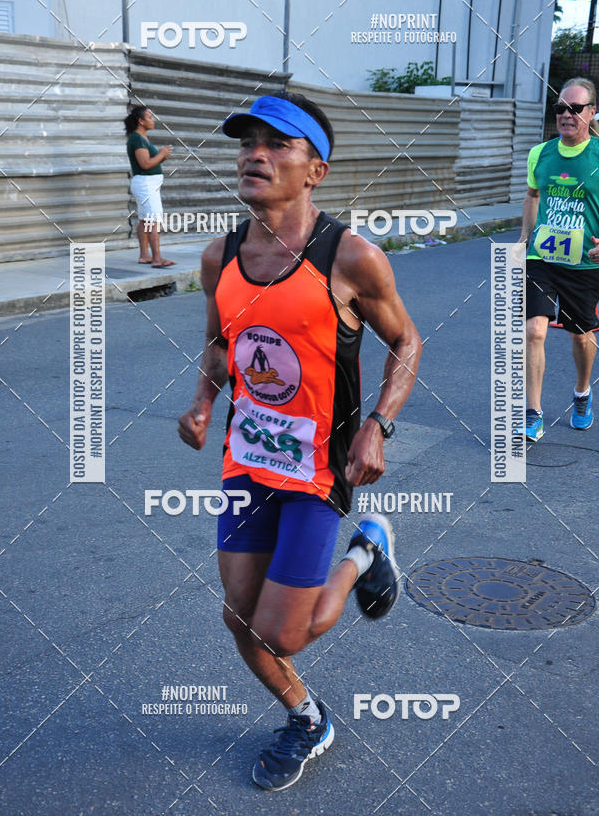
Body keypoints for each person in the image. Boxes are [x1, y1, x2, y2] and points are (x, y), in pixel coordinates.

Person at [178, 91, 421, 791]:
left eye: (277, 144)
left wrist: (378, 424)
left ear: (315, 170)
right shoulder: (219, 257)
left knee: (282, 632)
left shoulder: (351, 257)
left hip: (319, 469)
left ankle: (366, 549)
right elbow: (220, 343)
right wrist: (202, 402)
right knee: (240, 618)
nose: (255, 155)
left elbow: (406, 341)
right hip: (246, 463)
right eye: (247, 142)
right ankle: (308, 717)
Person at [519, 77, 599, 441]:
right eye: (560, 108)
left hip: (585, 263)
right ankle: (532, 413)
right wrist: (524, 239)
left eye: (575, 109)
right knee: (534, 330)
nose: (566, 115)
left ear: (591, 112)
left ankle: (582, 393)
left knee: (580, 337)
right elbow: (532, 195)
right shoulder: (540, 153)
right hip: (543, 257)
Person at [124, 105, 176, 268]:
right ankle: (157, 258)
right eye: (150, 117)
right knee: (154, 220)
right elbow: (145, 164)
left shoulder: (141, 138)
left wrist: (161, 156)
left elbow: (149, 162)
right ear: (141, 121)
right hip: (146, 184)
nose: (153, 120)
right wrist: (161, 154)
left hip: (147, 184)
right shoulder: (137, 139)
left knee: (145, 219)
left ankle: (144, 256)